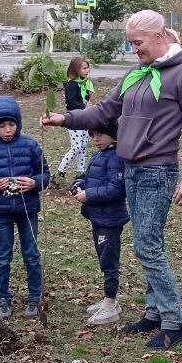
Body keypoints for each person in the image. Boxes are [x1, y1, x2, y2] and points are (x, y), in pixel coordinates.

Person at [42, 9, 182, 349]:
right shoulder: (138, 73)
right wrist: (65, 119)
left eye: (138, 42)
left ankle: (175, 323)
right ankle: (154, 312)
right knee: (148, 244)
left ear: (161, 37)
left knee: (147, 246)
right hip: (130, 169)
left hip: (157, 172)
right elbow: (105, 111)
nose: (134, 49)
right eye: (130, 43)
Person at [0, 96, 50, 320]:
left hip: (28, 210)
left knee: (32, 255)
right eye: (2, 125)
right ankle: (3, 298)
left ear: (18, 123)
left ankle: (35, 296)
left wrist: (35, 182)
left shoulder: (30, 145)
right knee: (3, 256)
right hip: (1, 212)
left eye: (11, 124)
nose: (8, 130)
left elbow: (45, 174)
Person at [70, 120, 129, 326]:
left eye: (100, 135)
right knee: (103, 259)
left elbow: (116, 189)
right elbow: (92, 179)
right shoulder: (99, 154)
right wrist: (79, 184)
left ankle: (110, 304)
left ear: (113, 134)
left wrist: (89, 194)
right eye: (92, 135)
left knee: (109, 261)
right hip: (98, 216)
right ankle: (109, 299)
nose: (95, 139)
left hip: (110, 219)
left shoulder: (116, 157)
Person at [57, 56, 93, 182]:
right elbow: (71, 102)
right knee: (76, 147)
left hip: (84, 117)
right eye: (84, 68)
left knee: (83, 145)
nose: (87, 70)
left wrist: (88, 104)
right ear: (76, 69)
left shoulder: (85, 83)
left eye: (88, 67)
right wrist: (84, 106)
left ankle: (80, 171)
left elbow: (87, 98)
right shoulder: (71, 85)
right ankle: (60, 170)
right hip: (74, 118)